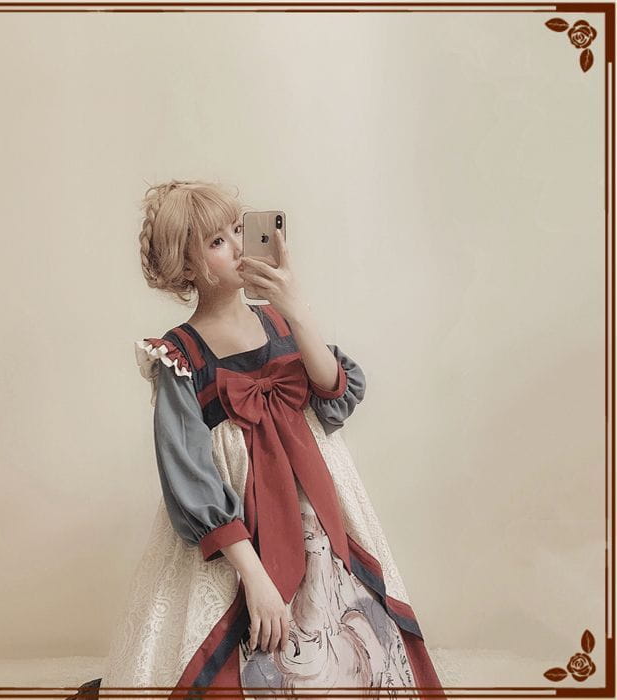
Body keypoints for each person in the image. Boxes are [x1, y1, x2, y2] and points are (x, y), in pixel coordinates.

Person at [70, 179, 445, 700]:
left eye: (237, 229)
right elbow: (189, 476)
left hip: (318, 510)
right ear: (185, 266)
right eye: (216, 241)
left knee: (350, 644)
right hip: (238, 536)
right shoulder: (179, 355)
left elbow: (334, 392)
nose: (238, 245)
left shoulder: (280, 320)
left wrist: (296, 306)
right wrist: (255, 577)